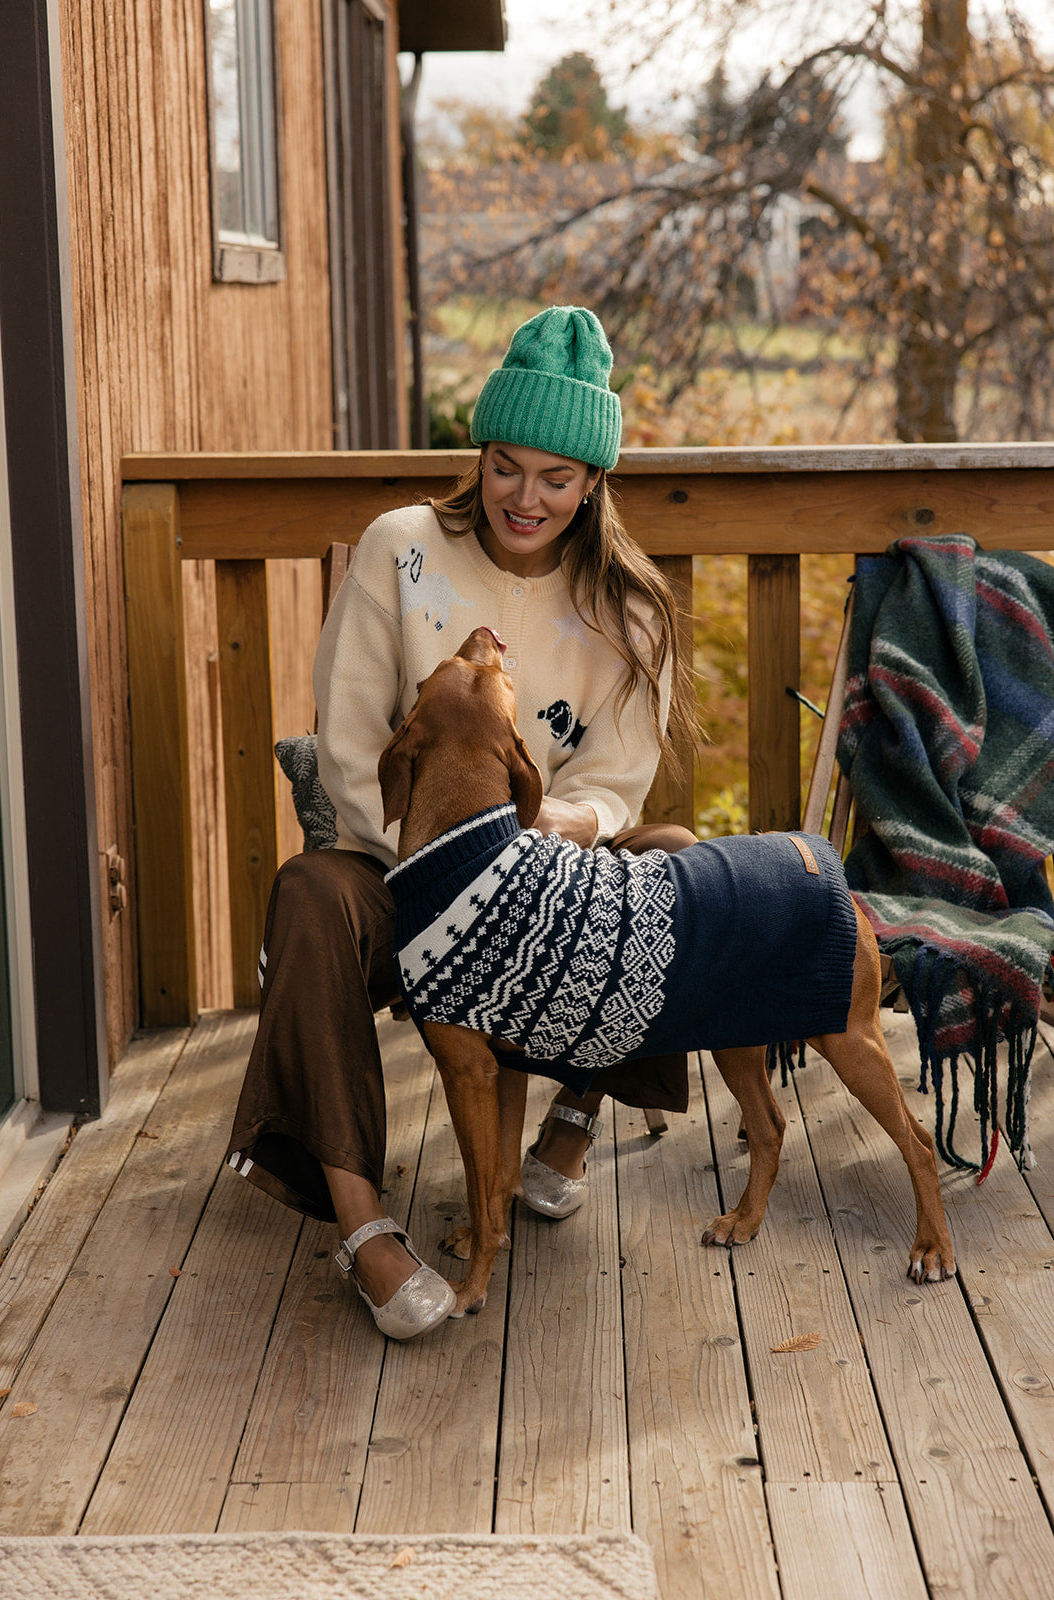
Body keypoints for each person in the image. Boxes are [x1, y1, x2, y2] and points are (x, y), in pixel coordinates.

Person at [227, 305, 701, 1340]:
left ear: (591, 483)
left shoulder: (630, 612)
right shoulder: (401, 550)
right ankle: (362, 1225)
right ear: (479, 458)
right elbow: (350, 745)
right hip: (400, 869)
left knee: (672, 861)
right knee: (307, 891)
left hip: (548, 871)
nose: (523, 497)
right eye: (504, 464)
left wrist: (536, 848)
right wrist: (447, 869)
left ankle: (574, 1116)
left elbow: (617, 784)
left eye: (555, 476)